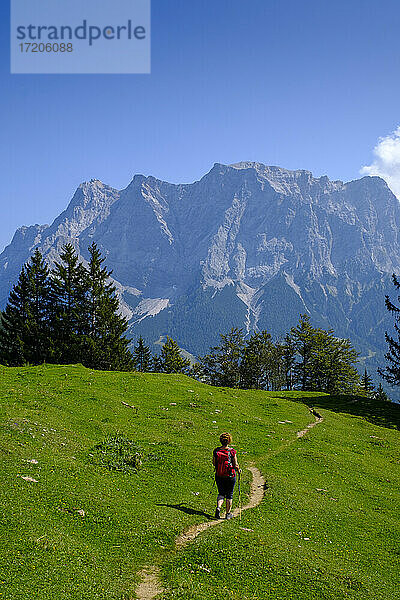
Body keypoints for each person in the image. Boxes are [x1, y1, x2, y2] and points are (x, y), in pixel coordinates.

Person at [212, 432, 241, 520]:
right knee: (229, 494)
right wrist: (239, 470)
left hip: (219, 475)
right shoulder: (232, 451)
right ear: (229, 441)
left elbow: (214, 463)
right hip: (230, 476)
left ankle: (218, 507)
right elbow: (235, 465)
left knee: (221, 493)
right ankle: (228, 514)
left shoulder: (216, 451)